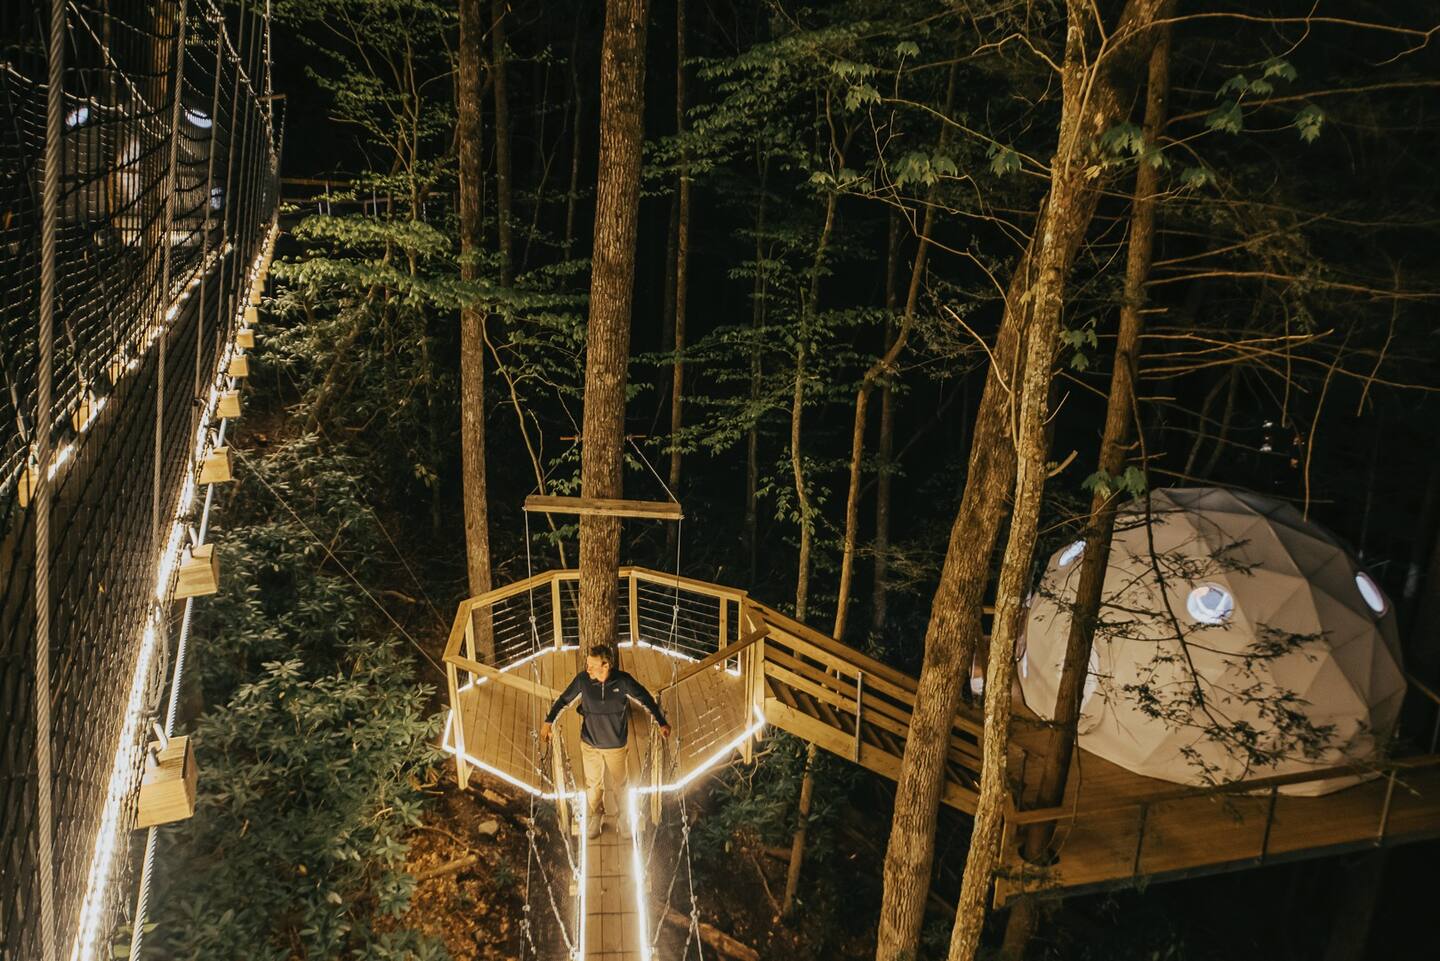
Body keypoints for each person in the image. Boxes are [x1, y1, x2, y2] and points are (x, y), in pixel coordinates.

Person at [541, 642, 671, 839]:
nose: (588, 669)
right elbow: (563, 700)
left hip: (615, 745)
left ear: (606, 665)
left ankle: (623, 816)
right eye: (587, 664)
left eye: (593, 665)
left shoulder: (623, 681)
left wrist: (661, 722)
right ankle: (596, 814)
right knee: (593, 785)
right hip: (589, 743)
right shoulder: (583, 680)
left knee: (621, 784)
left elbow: (645, 698)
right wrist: (548, 721)